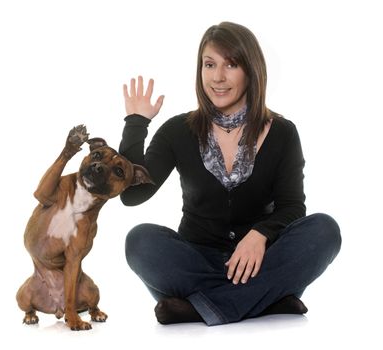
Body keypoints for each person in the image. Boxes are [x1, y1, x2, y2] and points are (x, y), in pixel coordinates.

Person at [118, 21, 341, 326]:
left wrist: (260, 235)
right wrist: (136, 123)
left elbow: (293, 207)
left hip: (260, 262)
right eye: (209, 64)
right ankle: (263, 302)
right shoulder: (177, 131)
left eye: (231, 64)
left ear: (251, 71)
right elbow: (132, 195)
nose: (218, 77)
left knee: (324, 230)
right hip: (195, 264)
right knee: (139, 241)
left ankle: (201, 308)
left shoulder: (283, 132)